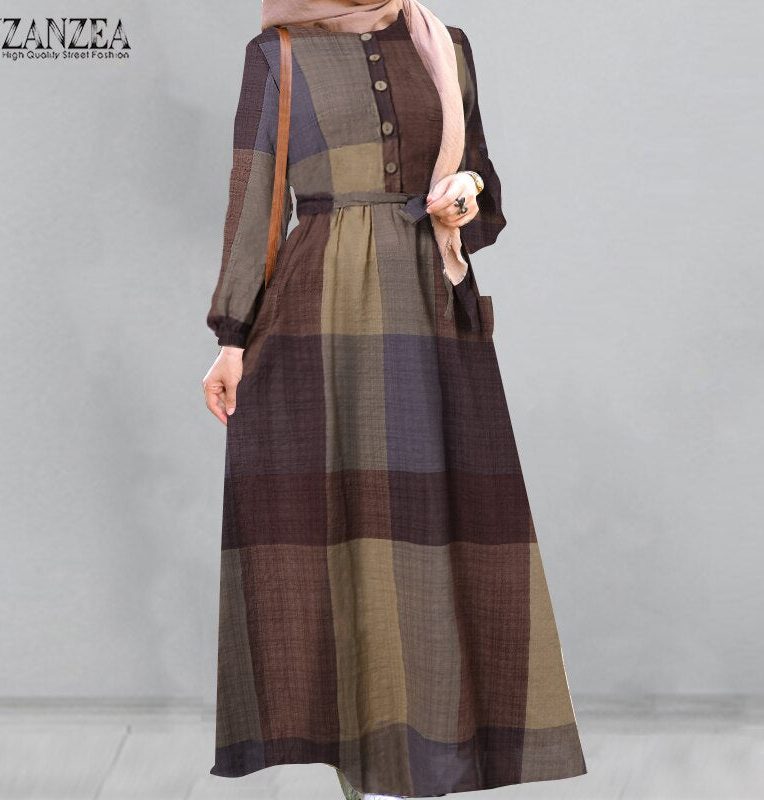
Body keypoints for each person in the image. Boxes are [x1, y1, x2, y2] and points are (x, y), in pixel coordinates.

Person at [202, 2, 588, 798]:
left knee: (430, 533)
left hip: (429, 305)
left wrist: (465, 197)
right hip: (319, 312)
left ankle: (429, 759)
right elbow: (255, 201)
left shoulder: (443, 45)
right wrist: (232, 336)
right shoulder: (279, 54)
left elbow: (483, 187)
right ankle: (353, 766)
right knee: (331, 535)